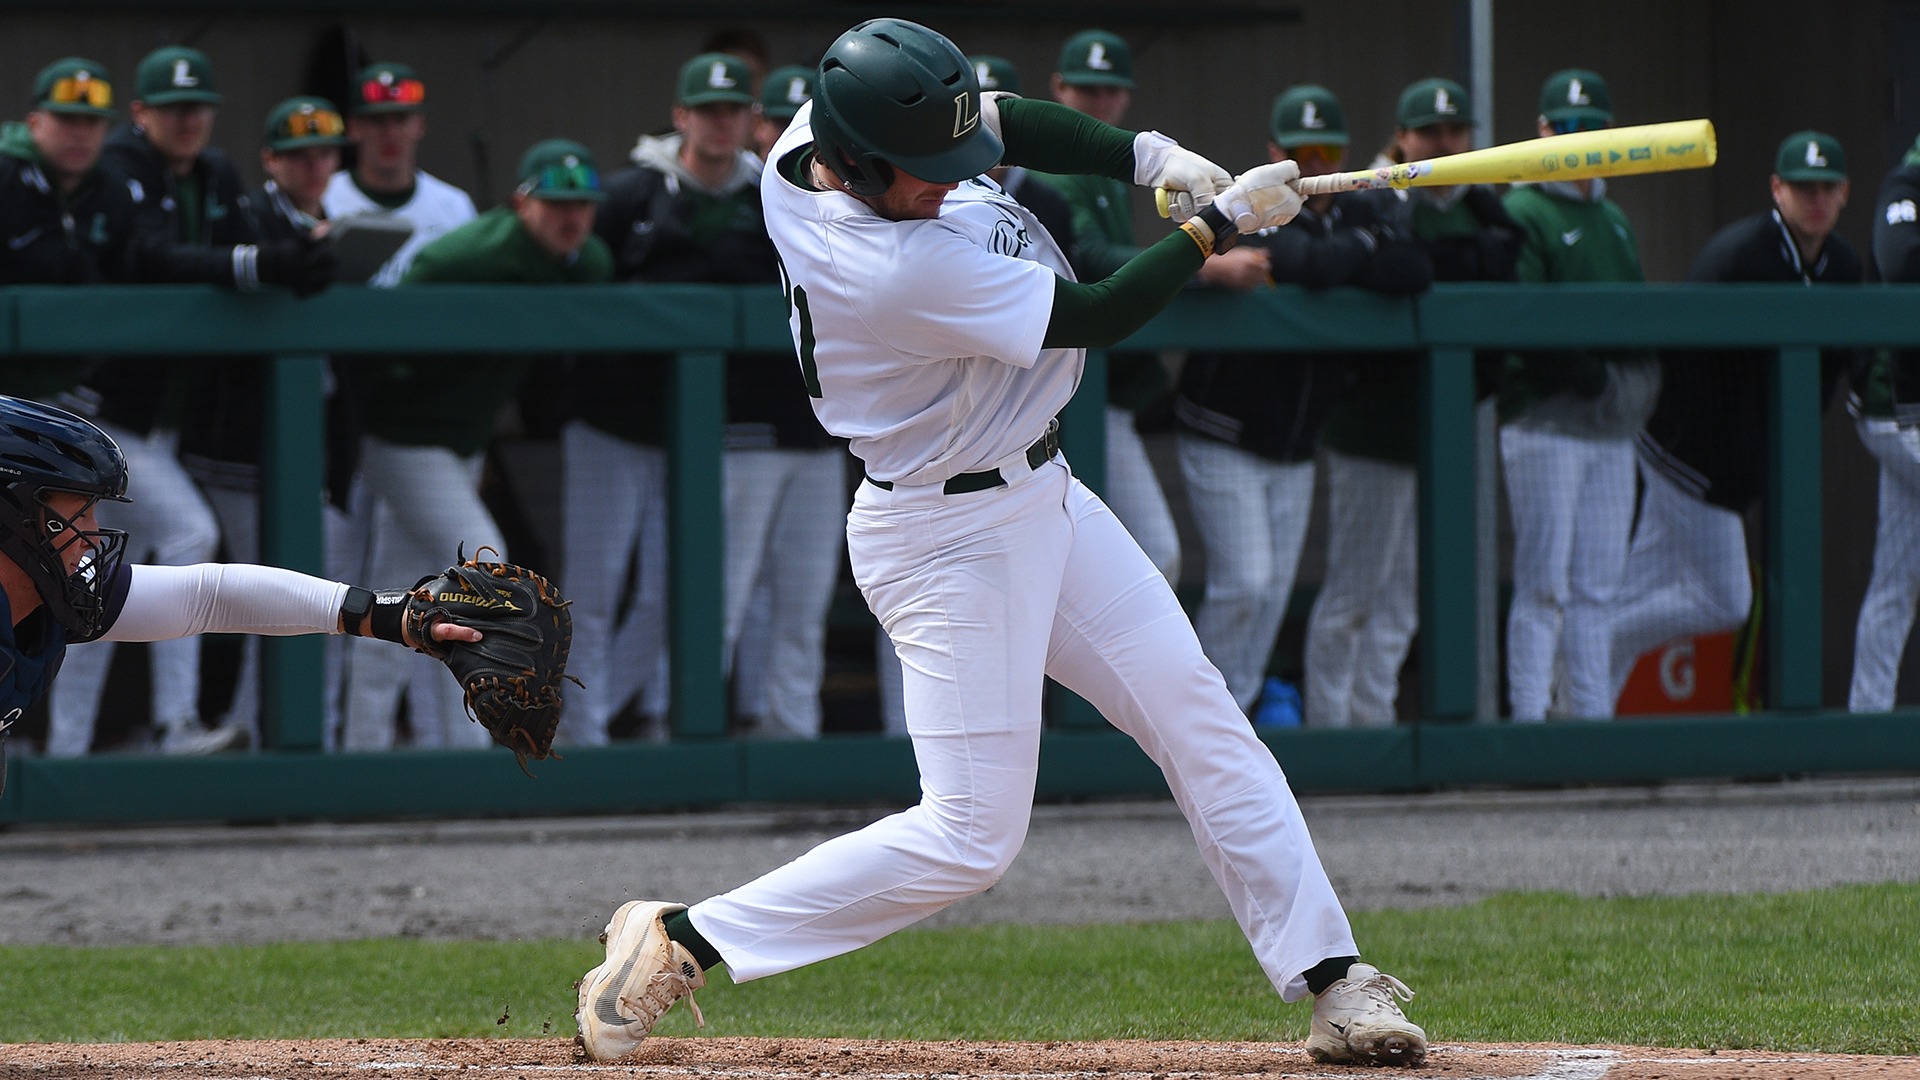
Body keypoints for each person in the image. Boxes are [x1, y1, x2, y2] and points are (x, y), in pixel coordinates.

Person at [574, 18, 1426, 1070]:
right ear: (854, 166)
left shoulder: (822, 130)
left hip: (1041, 491)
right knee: (972, 835)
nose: (949, 180)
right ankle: (683, 939)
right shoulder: (886, 265)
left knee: (1197, 713)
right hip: (946, 534)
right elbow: (1105, 311)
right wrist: (1218, 225)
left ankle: (1332, 979)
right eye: (925, 172)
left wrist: (1144, 155)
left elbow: (1003, 119)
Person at [50, 46, 334, 757]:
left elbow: (246, 245)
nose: (188, 122)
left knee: (100, 589)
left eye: (198, 109)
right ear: (141, 114)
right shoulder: (117, 167)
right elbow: (150, 257)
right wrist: (261, 264)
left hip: (163, 416)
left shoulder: (216, 171)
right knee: (188, 537)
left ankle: (64, 746)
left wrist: (297, 253)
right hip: (99, 409)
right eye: (173, 110)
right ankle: (174, 724)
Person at [0, 395, 484, 793]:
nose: (91, 535)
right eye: (74, 516)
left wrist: (384, 615)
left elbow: (209, 595)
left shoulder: (51, 590)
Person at [339, 140, 611, 751]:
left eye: (583, 204)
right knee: (485, 573)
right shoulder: (466, 255)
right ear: (521, 203)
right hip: (403, 437)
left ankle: (371, 753)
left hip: (462, 444)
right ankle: (468, 749)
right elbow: (377, 337)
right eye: (555, 204)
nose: (571, 217)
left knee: (395, 600)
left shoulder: (586, 260)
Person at [1177, 84, 1427, 718]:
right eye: (1302, 150)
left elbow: (1412, 268)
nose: (1316, 163)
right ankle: (1196, 723)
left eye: (1328, 149)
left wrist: (1357, 249)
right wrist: (1360, 253)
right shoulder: (1246, 205)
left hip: (1294, 439)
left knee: (1273, 593)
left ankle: (1234, 722)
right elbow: (1305, 263)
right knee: (1245, 585)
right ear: (1275, 152)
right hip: (1224, 429)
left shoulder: (1353, 212)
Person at [1611, 131, 1859, 702]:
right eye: (1803, 187)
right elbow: (1684, 355)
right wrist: (1731, 463)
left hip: (1732, 464)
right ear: (1777, 189)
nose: (1816, 198)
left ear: (1845, 193)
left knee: (1637, 590)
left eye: (1827, 187)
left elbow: (1839, 364)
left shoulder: (1842, 265)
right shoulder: (1740, 253)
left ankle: (1578, 713)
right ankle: (1589, 641)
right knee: (1727, 600)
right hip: (1688, 452)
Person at [1303, 77, 1514, 728]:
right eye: (1431, 133)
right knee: (1355, 593)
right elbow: (1402, 268)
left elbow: (1506, 260)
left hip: (1440, 425)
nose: (1445, 143)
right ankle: (1331, 736)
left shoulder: (1480, 199)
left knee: (1403, 601)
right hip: (1371, 420)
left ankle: (1373, 724)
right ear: (1403, 139)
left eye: (1455, 132)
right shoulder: (1373, 191)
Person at [172, 96, 356, 746]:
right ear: (272, 160)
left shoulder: (338, 221)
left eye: (325, 153)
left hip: (306, 448)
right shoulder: (247, 214)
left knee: (303, 592)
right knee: (265, 593)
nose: (315, 167)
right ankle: (248, 731)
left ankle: (271, 730)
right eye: (300, 155)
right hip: (239, 444)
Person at [1497, 68, 1658, 722]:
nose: (1580, 140)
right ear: (1542, 132)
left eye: (1592, 129)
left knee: (1600, 589)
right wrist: (1593, 379)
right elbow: (1526, 322)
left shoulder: (1614, 218)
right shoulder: (1524, 207)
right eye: (1566, 128)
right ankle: (1533, 723)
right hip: (1545, 425)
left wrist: (1626, 390)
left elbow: (1635, 317)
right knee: (1544, 586)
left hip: (1612, 430)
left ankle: (1592, 724)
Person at [1028, 29, 1186, 584]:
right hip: (1054, 398)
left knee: (1124, 560)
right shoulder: (1048, 172)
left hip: (1103, 390)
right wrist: (1202, 251)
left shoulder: (1113, 174)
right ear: (1057, 89)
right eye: (1086, 89)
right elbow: (1089, 259)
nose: (1100, 102)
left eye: (1110, 90)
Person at [1852, 131, 1920, 711]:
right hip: (1898, 410)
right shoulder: (1907, 183)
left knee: (1896, 580)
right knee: (1895, 584)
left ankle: (1866, 717)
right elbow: (1902, 262)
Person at [321, 62, 475, 286]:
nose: (390, 133)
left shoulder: (454, 205)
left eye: (401, 119)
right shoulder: (324, 197)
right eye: (378, 121)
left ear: (420, 125)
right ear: (354, 128)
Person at [753, 64, 813, 161]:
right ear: (758, 124)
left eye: (805, 128)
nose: (795, 137)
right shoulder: (747, 173)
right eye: (784, 124)